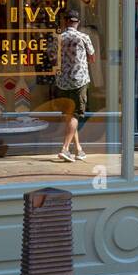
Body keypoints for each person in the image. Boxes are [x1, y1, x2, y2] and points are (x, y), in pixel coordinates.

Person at [52, 9, 95, 162]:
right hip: (79, 80)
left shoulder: (58, 38)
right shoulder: (84, 37)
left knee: (69, 116)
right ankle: (64, 149)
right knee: (75, 115)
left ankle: (78, 149)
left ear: (65, 21)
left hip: (62, 82)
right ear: (78, 22)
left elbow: (51, 57)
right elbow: (92, 58)